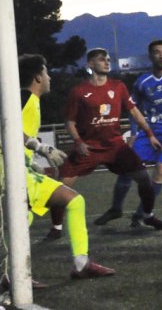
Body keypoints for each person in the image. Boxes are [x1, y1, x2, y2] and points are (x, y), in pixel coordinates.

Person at [47, 48, 162, 240]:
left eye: (108, 59)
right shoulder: (79, 92)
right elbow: (69, 122)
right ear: (90, 64)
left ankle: (148, 216)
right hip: (89, 147)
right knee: (61, 186)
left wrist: (150, 134)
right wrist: (78, 142)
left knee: (144, 178)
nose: (107, 62)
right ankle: (56, 228)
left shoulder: (118, 86)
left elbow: (135, 112)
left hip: (115, 147)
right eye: (102, 60)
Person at [17, 54, 115, 280]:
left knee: (72, 201)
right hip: (9, 173)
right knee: (22, 219)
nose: (50, 77)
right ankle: (13, 274)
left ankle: (81, 264)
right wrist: (39, 147)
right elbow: (5, 128)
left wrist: (30, 162)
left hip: (20, 170)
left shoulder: (31, 100)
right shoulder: (24, 98)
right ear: (38, 77)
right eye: (46, 72)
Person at [93, 40, 162, 228]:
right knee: (128, 168)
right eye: (157, 52)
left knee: (160, 170)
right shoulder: (143, 82)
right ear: (150, 56)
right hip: (150, 133)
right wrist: (134, 133)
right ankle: (116, 208)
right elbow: (133, 108)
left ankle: (142, 214)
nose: (161, 55)